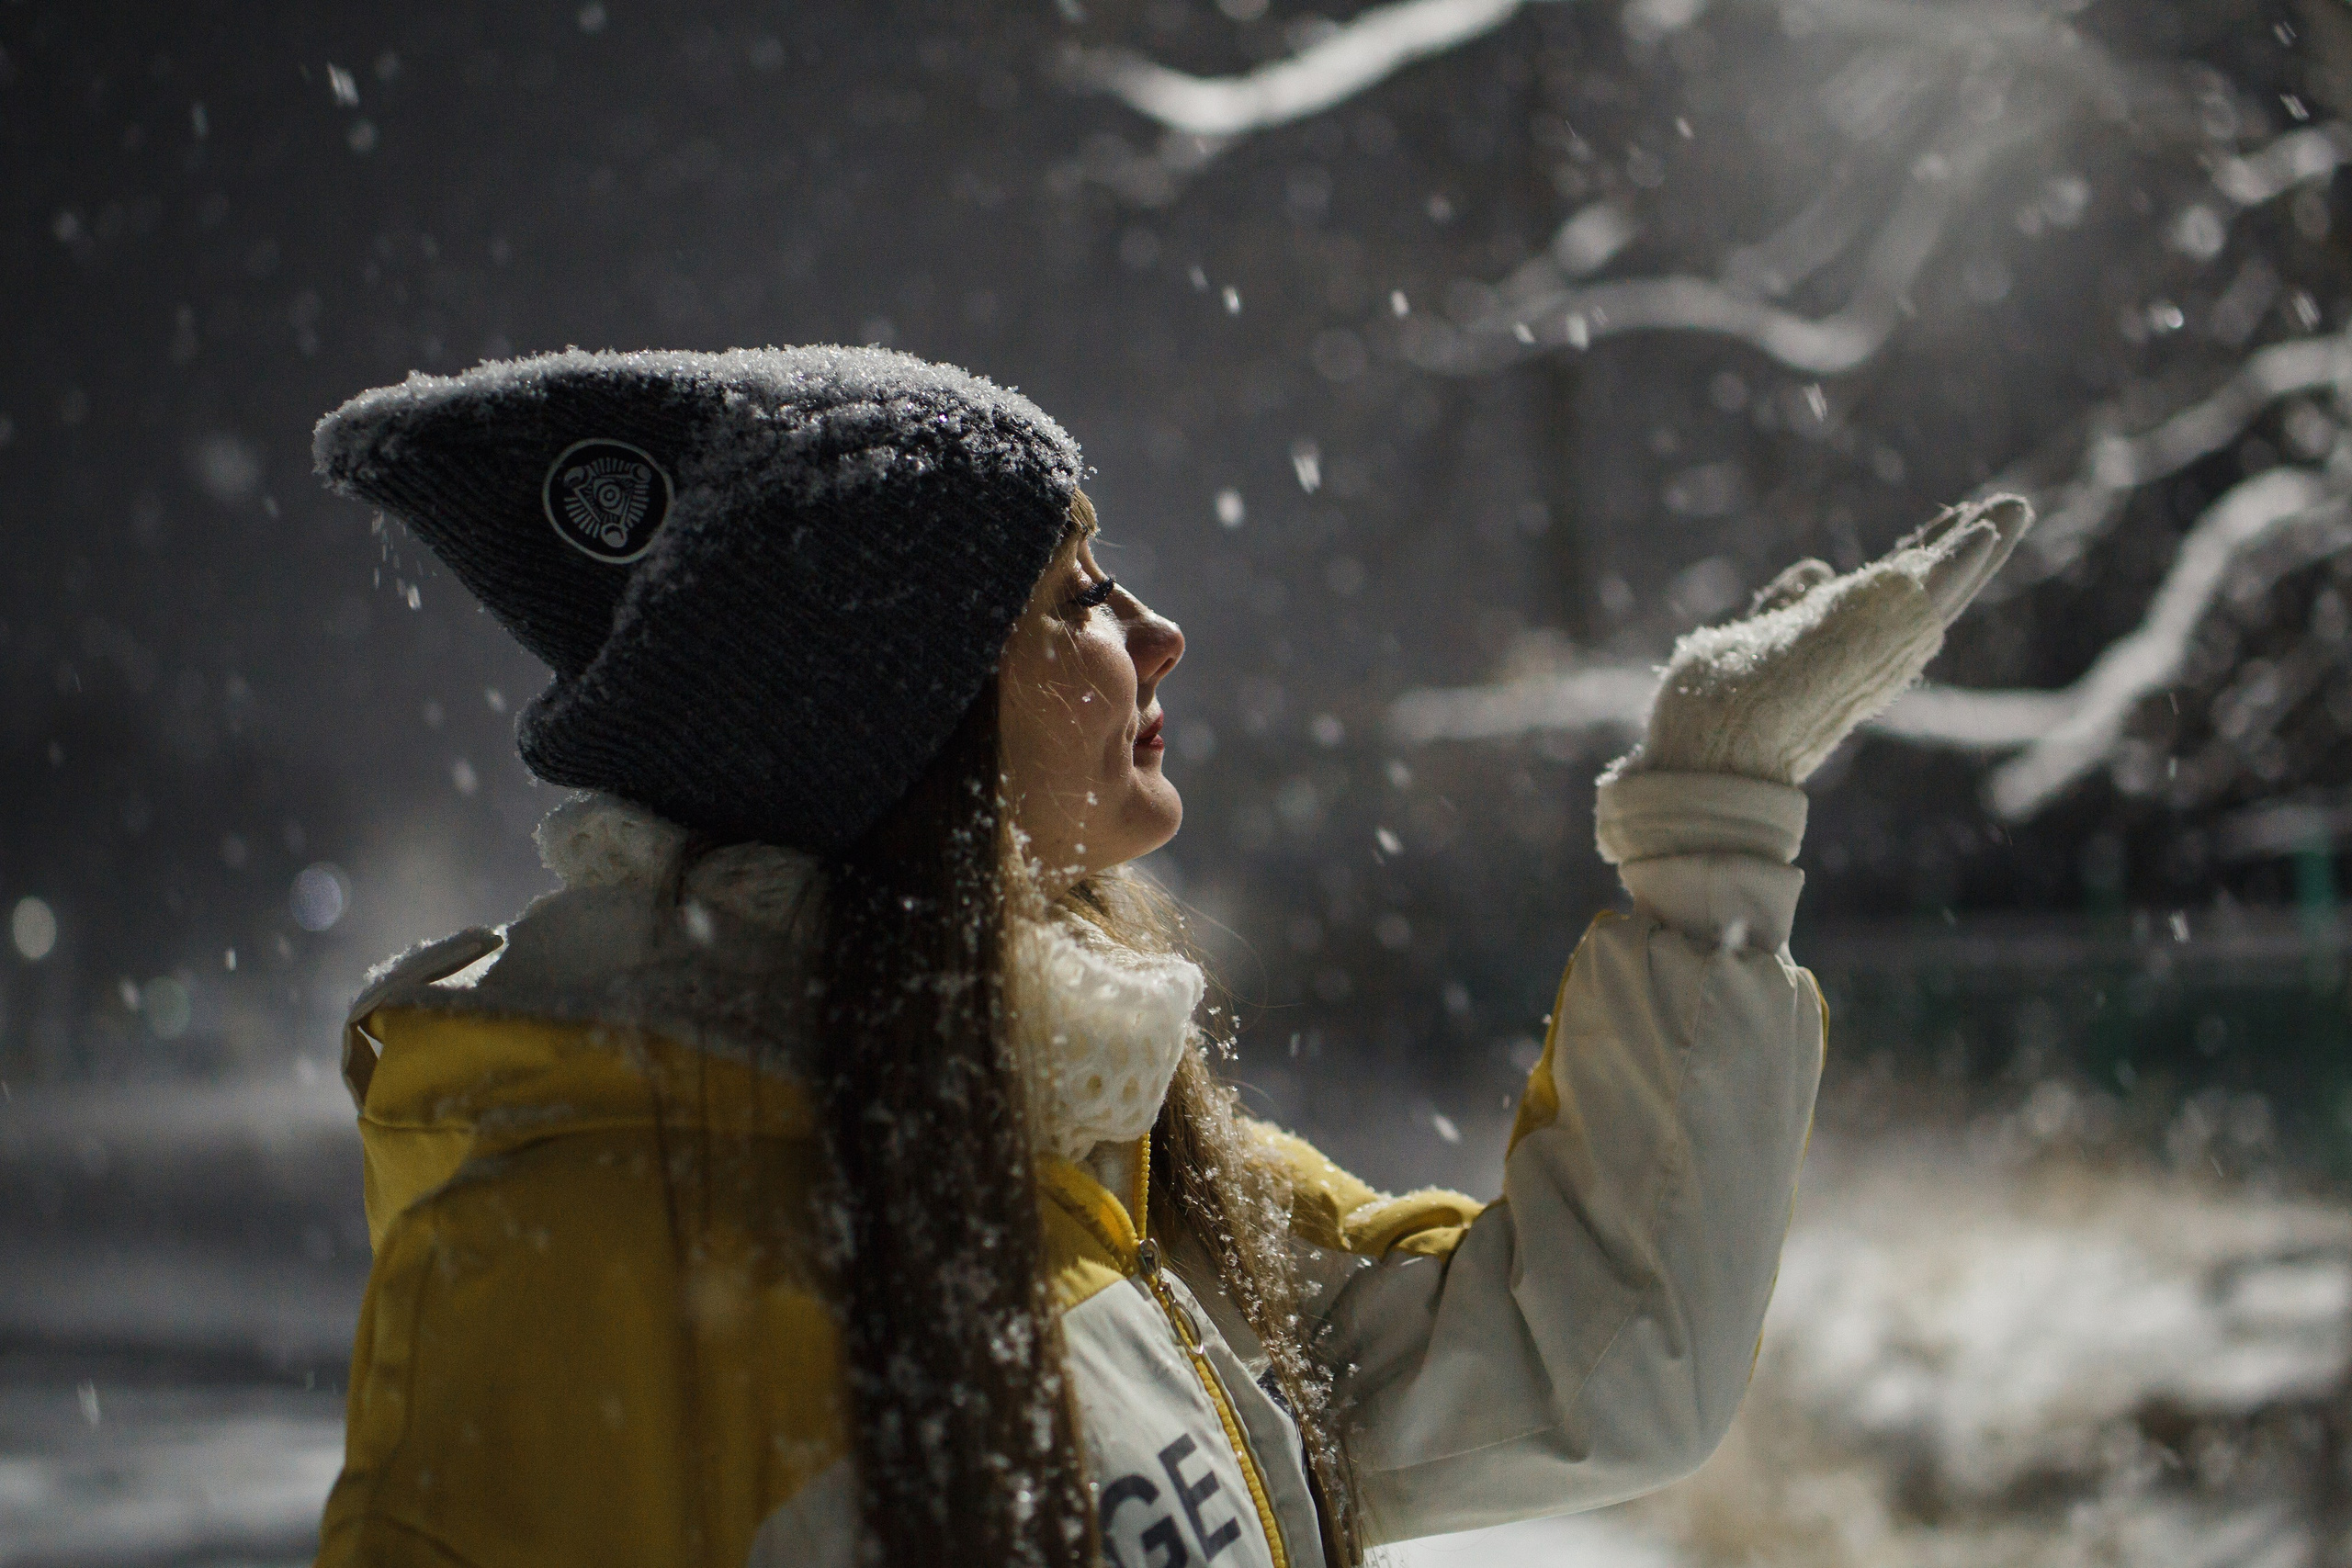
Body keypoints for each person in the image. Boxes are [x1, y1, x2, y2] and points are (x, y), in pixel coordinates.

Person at [308, 345, 2031, 1568]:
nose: (1158, 634)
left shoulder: (1110, 1160)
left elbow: (1603, 1364)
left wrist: (1714, 825)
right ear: (899, 726)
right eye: (1075, 597)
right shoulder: (571, 1280)